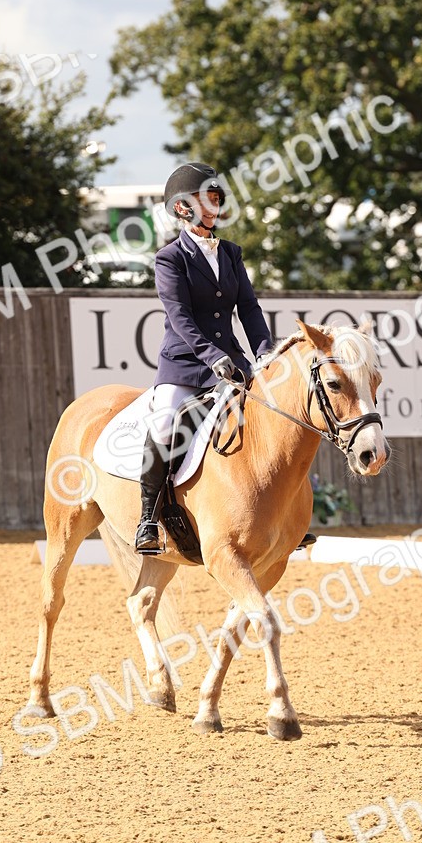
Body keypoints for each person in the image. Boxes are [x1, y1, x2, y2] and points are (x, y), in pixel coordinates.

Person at [134, 161, 316, 555]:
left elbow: (248, 308)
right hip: (184, 365)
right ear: (184, 206)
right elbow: (179, 316)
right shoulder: (170, 259)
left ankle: (289, 518)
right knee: (165, 423)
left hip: (232, 364)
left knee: (273, 423)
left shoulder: (231, 253)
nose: (215, 205)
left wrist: (266, 353)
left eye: (217, 198)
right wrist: (211, 354)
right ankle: (148, 517)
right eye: (208, 198)